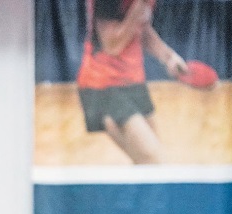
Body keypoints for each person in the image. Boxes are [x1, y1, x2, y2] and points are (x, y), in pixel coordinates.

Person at [76, 0, 188, 164]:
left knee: (148, 166)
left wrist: (168, 57)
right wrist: (139, 6)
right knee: (155, 163)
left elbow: (141, 29)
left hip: (133, 81)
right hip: (103, 86)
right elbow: (112, 45)